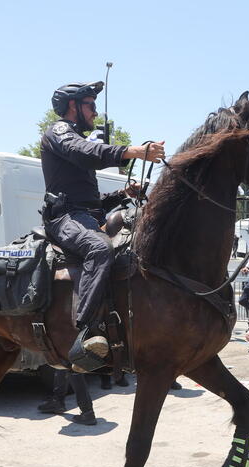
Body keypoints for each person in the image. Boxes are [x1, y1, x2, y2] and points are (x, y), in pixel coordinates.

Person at [40, 81, 165, 371]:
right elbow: (87, 152)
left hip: (83, 215)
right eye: (91, 106)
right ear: (74, 106)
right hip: (64, 219)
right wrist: (132, 151)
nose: (95, 113)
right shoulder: (59, 132)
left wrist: (124, 194)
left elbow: (90, 199)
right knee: (100, 248)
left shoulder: (73, 138)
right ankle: (84, 333)